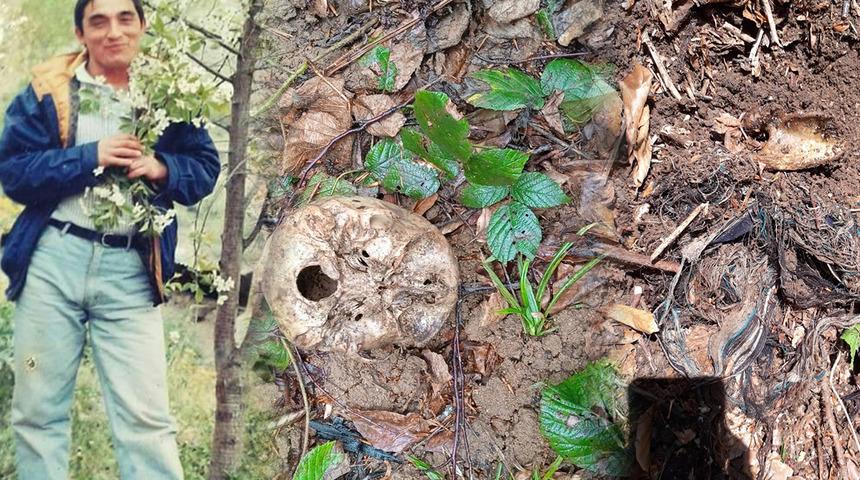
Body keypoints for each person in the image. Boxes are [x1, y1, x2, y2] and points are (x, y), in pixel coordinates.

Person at [0, 0, 220, 478]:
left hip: (131, 271)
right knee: (38, 414)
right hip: (52, 262)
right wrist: (89, 156)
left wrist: (164, 168)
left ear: (143, 25)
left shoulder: (170, 93)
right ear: (81, 33)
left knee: (146, 420)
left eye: (125, 18)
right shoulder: (49, 89)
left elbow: (204, 170)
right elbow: (13, 173)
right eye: (98, 21)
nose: (113, 32)